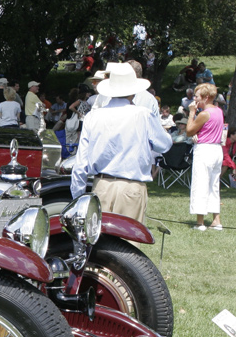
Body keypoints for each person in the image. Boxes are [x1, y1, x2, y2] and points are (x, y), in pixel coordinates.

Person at [69, 62, 172, 223]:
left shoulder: (93, 116)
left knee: (99, 242)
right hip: (132, 187)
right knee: (128, 244)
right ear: (133, 91)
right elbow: (164, 145)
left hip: (101, 186)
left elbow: (81, 163)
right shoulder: (143, 115)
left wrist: (78, 197)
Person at [185, 83, 224, 230]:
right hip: (216, 149)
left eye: (197, 96)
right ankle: (216, 220)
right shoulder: (219, 111)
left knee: (200, 184)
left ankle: (200, 222)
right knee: (214, 185)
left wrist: (191, 112)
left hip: (204, 150)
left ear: (206, 97)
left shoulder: (203, 114)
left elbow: (189, 130)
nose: (195, 99)